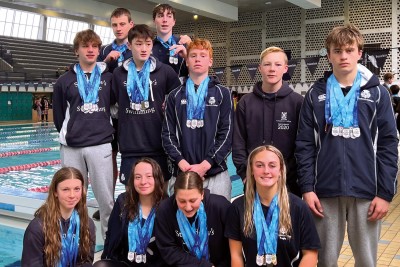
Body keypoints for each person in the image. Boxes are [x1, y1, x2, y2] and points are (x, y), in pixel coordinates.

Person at [295, 24, 398, 266]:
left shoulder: (378, 94)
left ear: (359, 53)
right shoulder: (315, 94)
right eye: (337, 50)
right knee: (325, 261)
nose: (343, 56)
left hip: (367, 191)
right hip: (324, 192)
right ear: (328, 54)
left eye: (349, 50)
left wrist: (385, 193)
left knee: (366, 261)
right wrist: (307, 188)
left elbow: (388, 145)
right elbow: (305, 145)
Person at [53, 29, 115, 240]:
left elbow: (114, 108)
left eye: (95, 46)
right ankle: (75, 245)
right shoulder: (64, 81)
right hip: (72, 148)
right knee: (71, 199)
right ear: (76, 51)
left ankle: (110, 246)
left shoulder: (109, 77)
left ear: (99, 50)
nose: (90, 50)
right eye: (85, 46)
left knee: (106, 200)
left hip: (100, 145)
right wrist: (72, 132)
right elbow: (59, 117)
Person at [162, 38, 233, 200]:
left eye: (202, 55)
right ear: (186, 61)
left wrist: (206, 164)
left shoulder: (223, 94)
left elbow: (227, 134)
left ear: (210, 61)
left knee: (219, 223)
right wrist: (182, 163)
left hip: (215, 173)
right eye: (193, 56)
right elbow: (167, 135)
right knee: (181, 223)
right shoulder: (174, 96)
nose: (198, 59)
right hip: (182, 172)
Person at [225, 145, 320, 266]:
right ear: (251, 170)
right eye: (259, 165)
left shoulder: (298, 207)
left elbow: (310, 254)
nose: (266, 171)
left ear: (281, 170)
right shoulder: (238, 208)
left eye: (272, 165)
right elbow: (236, 255)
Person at [112, 24, 180, 192]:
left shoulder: (166, 72)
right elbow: (111, 107)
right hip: (130, 148)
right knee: (131, 201)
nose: (144, 48)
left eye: (148, 44)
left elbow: (177, 104)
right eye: (138, 43)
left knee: (161, 199)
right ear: (129, 45)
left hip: (158, 146)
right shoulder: (119, 74)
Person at [232, 46, 303, 196]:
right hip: (254, 182)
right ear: (259, 68)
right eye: (267, 64)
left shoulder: (298, 103)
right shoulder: (246, 103)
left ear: (285, 68)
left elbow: (304, 145)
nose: (272, 69)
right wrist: (246, 175)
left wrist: (295, 177)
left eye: (277, 65)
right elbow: (238, 143)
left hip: (288, 183)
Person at [97, 8, 135, 221]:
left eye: (122, 24)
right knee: (108, 159)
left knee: (129, 156)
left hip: (131, 114)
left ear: (131, 24)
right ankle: (109, 204)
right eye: (114, 25)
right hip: (108, 114)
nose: (118, 28)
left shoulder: (136, 47)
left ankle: (132, 202)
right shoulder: (104, 50)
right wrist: (106, 62)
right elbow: (93, 76)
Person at [94, 158, 166, 267]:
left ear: (157, 178)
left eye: (149, 176)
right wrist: (107, 257)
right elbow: (111, 235)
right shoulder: (123, 202)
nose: (143, 182)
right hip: (127, 263)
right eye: (138, 177)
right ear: (132, 180)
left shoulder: (166, 206)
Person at [21, 167, 96, 267]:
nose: (72, 195)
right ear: (55, 192)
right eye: (65, 189)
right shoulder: (37, 228)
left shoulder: (87, 224)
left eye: (77, 189)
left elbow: (86, 261)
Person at [155, 171, 231, 266]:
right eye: (182, 201)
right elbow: (168, 249)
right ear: (175, 196)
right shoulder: (164, 210)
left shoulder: (220, 206)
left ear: (202, 194)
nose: (188, 207)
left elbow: (233, 246)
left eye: (193, 200)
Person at [152, 3, 190, 79]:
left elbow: (197, 74)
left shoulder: (185, 45)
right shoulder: (148, 47)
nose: (165, 20)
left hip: (179, 90)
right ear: (154, 21)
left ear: (174, 22)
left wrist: (187, 56)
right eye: (160, 16)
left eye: (169, 16)